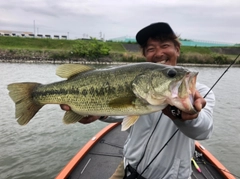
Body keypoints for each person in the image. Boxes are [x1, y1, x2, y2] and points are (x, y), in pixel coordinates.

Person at [60, 22, 215, 179]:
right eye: (151, 49)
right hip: (127, 168)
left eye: (165, 45)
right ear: (145, 56)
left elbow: (204, 130)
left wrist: (189, 117)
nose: (159, 53)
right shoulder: (142, 90)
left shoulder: (200, 93)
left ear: (177, 49)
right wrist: (99, 114)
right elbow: (123, 111)